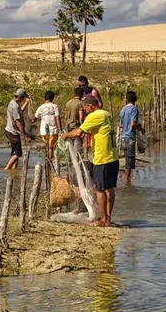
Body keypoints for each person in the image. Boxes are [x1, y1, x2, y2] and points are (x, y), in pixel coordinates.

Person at [62, 96, 119, 227]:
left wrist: (65, 135)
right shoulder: (106, 114)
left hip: (102, 157)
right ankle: (108, 218)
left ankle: (103, 220)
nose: (85, 111)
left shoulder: (95, 116)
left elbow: (78, 132)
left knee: (100, 189)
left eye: (85, 109)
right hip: (113, 156)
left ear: (90, 106)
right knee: (109, 189)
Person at [4, 88, 34, 171]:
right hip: (12, 132)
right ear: (20, 97)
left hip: (11, 131)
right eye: (24, 98)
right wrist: (25, 135)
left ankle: (14, 170)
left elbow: (20, 111)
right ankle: (6, 170)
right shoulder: (15, 106)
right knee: (17, 154)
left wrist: (27, 102)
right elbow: (18, 123)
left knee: (15, 153)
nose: (24, 99)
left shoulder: (13, 103)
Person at [119, 90, 145, 185]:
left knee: (127, 162)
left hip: (123, 138)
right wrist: (141, 129)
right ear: (135, 99)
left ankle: (126, 183)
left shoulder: (123, 109)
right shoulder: (134, 109)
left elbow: (121, 125)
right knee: (129, 165)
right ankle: (127, 185)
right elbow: (133, 124)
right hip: (130, 138)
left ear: (126, 99)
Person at [34, 90, 62, 161]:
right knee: (51, 147)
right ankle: (49, 161)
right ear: (53, 98)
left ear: (44, 98)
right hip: (53, 131)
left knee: (48, 146)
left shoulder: (40, 107)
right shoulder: (55, 107)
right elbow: (57, 118)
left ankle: (48, 161)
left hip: (43, 131)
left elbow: (35, 118)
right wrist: (60, 130)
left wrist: (33, 120)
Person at [64, 87, 85, 152]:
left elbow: (65, 117)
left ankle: (72, 161)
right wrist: (82, 127)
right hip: (76, 126)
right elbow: (81, 117)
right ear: (82, 94)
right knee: (78, 147)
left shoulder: (68, 102)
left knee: (71, 147)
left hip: (68, 127)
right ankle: (77, 160)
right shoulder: (80, 103)